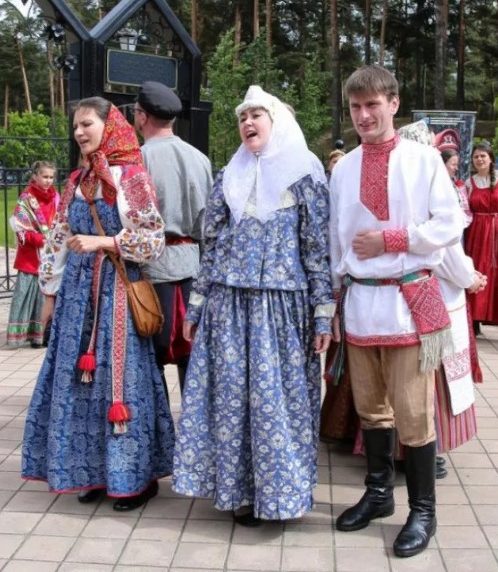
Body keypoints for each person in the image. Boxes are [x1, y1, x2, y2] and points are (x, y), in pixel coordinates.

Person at [172, 85, 333, 525]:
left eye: (256, 116)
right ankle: (240, 492)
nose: (247, 124)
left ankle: (281, 495)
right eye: (242, 118)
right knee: (232, 402)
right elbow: (213, 244)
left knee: (276, 403)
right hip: (229, 304)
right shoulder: (229, 175)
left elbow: (317, 248)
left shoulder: (305, 174)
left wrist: (324, 312)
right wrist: (198, 306)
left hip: (282, 308)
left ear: (276, 121)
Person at [329, 65, 463, 558]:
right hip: (362, 302)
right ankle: (380, 493)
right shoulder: (342, 169)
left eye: (372, 105)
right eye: (355, 107)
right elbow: (334, 241)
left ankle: (423, 511)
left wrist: (395, 238)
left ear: (393, 103)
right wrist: (334, 299)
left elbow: (451, 221)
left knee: (414, 412)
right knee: (370, 408)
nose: (364, 115)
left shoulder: (424, 160)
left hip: (409, 301)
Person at [21, 97, 175, 511]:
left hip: (118, 294)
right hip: (76, 299)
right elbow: (57, 238)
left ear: (109, 126)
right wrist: (49, 294)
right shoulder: (76, 180)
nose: (79, 132)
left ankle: (135, 478)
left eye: (87, 124)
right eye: (76, 127)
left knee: (119, 381)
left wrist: (104, 242)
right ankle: (91, 471)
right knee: (77, 382)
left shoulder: (132, 177)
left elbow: (152, 240)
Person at [133, 81, 212, 392]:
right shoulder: (200, 159)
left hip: (152, 268)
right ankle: (193, 431)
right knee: (191, 357)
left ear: (142, 116)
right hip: (193, 265)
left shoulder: (138, 160)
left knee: (149, 356)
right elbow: (209, 224)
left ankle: (159, 431)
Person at [7, 161, 59, 348]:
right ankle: (21, 335)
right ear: (35, 176)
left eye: (51, 177)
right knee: (26, 295)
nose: (48, 181)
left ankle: (41, 335)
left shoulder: (56, 198)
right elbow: (20, 231)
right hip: (31, 258)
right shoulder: (26, 199)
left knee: (45, 297)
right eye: (44, 176)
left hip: (51, 257)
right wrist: (41, 239)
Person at [465, 143, 498, 332]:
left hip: (496, 231)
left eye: (483, 156)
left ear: (491, 158)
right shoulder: (470, 183)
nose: (479, 160)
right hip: (476, 233)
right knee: (477, 269)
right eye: (476, 157)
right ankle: (474, 320)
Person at [440, 149, 472, 228]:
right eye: (453, 164)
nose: (456, 168)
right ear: (442, 164)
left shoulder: (456, 184)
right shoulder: (437, 185)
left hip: (457, 228)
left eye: (457, 165)